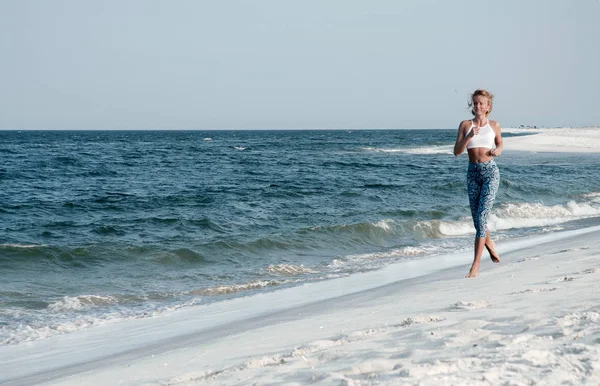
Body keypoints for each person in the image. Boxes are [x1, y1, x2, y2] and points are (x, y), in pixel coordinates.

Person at [453, 89, 503, 278]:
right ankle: (489, 243)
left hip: (490, 173)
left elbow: (499, 144)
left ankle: (475, 266)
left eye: (481, 103)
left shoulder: (494, 125)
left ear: (488, 106)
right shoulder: (465, 125)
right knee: (477, 220)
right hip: (472, 173)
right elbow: (457, 152)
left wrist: (498, 150)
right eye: (475, 103)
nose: (478, 106)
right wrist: (468, 136)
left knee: (482, 218)